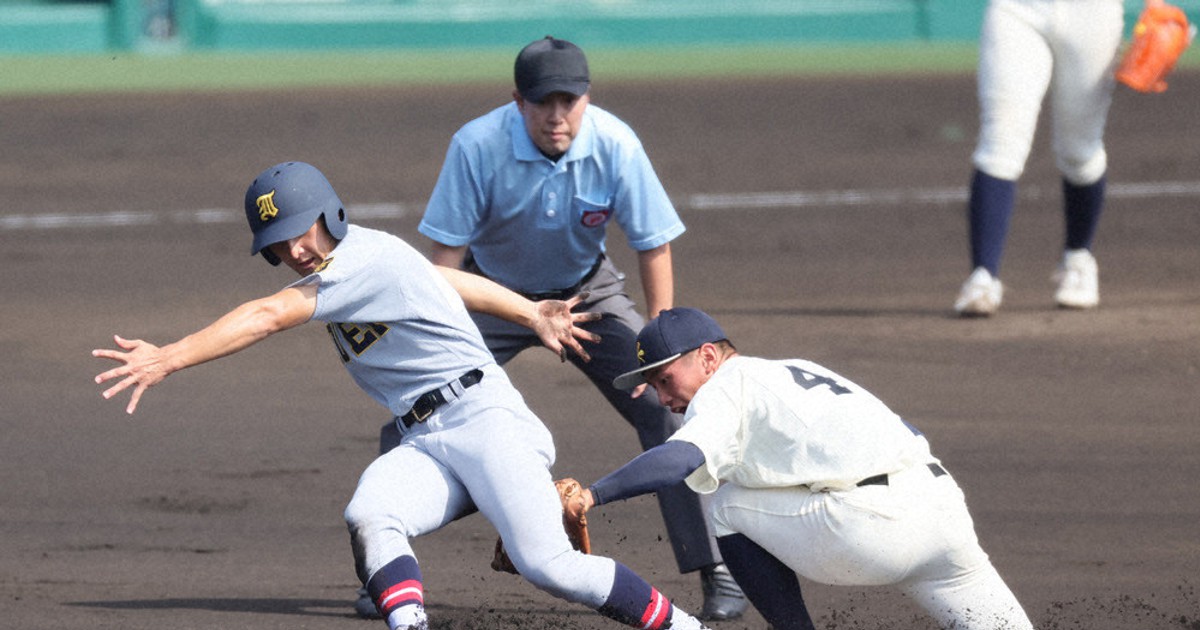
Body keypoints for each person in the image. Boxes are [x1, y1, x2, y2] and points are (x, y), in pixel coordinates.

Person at [91, 160, 715, 630]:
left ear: (328, 214)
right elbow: (442, 277)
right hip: (430, 438)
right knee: (372, 512)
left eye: (299, 231)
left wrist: (168, 357)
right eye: (278, 244)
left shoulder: (357, 264)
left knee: (549, 566)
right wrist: (529, 313)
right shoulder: (367, 260)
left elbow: (266, 314)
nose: (294, 250)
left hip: (486, 422)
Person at [397, 35, 747, 620]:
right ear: (518, 101)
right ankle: (386, 560)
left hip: (588, 293)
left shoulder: (615, 143)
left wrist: (661, 344)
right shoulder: (476, 146)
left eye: (570, 101)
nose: (557, 117)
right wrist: (440, 348)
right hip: (495, 295)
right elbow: (445, 265)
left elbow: (652, 243)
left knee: (664, 407)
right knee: (415, 404)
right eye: (543, 103)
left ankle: (715, 568)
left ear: (587, 97)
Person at [569, 307, 1037, 630]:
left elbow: (678, 459)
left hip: (874, 530)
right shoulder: (797, 370)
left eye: (665, 380)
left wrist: (593, 494)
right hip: (943, 512)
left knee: (727, 507)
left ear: (709, 357)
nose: (664, 399)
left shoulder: (726, 387)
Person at [954, 0, 1123, 316]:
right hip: (1017, 8)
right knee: (1001, 141)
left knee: (1079, 151)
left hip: (1093, 13)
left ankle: (1078, 258)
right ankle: (982, 276)